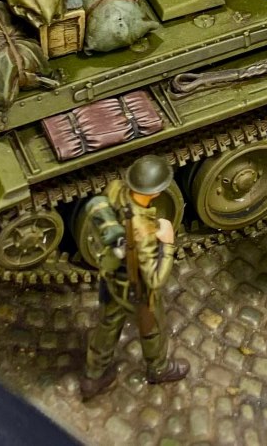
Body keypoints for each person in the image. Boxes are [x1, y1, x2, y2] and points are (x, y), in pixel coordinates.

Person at [80, 154, 189, 399]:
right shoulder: (144, 230)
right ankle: (158, 369)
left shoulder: (115, 189)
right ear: (156, 192)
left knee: (108, 325)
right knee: (153, 327)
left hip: (112, 279)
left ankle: (93, 377)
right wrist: (168, 243)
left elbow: (97, 207)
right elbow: (155, 280)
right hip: (138, 287)